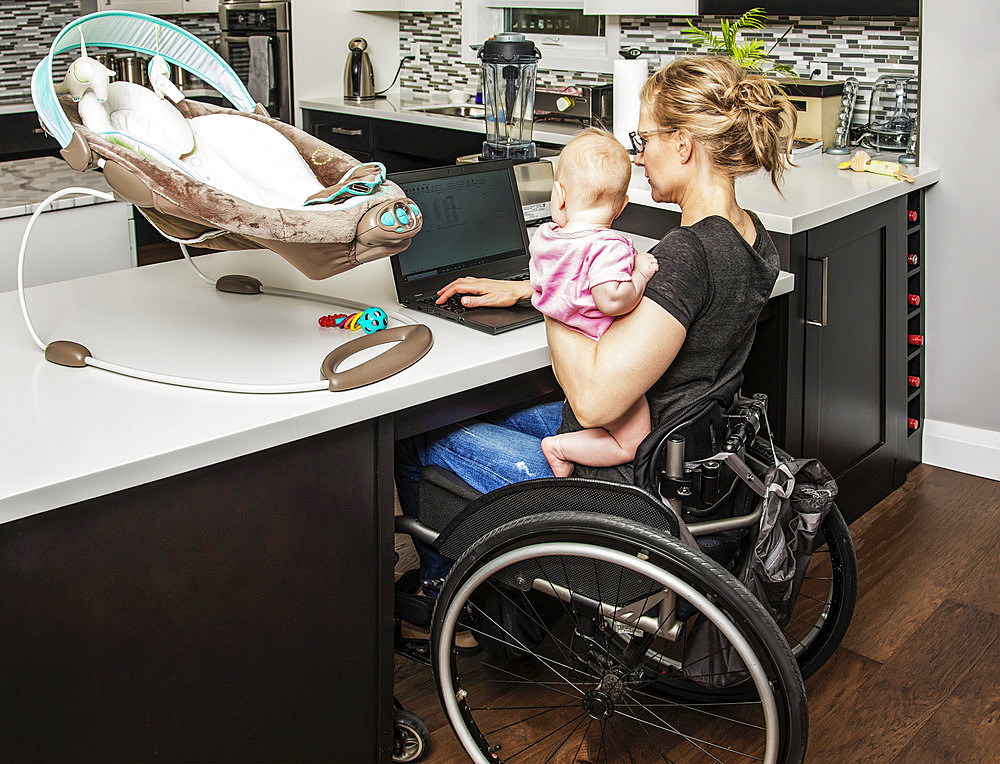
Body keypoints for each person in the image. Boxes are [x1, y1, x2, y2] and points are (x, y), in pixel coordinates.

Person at [395, 55, 796, 594]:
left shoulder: (690, 253)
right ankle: (499, 605)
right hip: (679, 458)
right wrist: (530, 287)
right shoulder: (748, 236)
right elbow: (668, 302)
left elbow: (594, 404)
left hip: (621, 488)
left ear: (683, 144)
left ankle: (443, 600)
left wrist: (556, 282)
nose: (639, 153)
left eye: (645, 137)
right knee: (499, 406)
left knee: (418, 433)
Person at [528, 128, 659, 478]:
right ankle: (560, 448)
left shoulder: (546, 237)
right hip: (598, 350)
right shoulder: (608, 245)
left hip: (566, 347)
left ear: (559, 196)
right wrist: (640, 274)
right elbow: (612, 299)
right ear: (622, 206)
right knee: (632, 442)